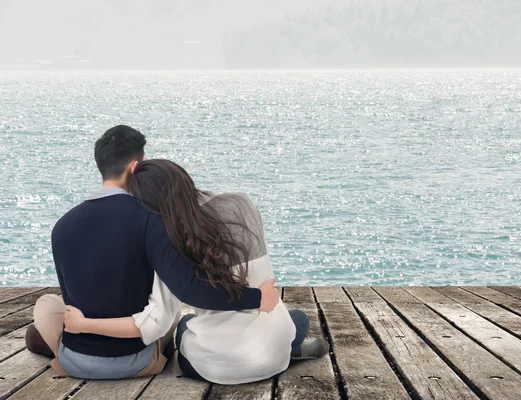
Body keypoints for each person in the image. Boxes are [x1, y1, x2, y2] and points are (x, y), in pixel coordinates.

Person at [26, 126, 280, 379]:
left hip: (75, 360)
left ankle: (55, 346)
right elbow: (186, 291)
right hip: (136, 361)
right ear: (136, 167)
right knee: (173, 318)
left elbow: (71, 297)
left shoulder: (61, 225)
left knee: (47, 305)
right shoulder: (153, 221)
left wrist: (83, 324)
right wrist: (257, 298)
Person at [62, 159, 329, 384]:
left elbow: (183, 299)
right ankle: (287, 347)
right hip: (272, 352)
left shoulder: (169, 237)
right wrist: (258, 299)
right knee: (295, 319)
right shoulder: (241, 204)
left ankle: (276, 347)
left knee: (184, 326)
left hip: (218, 368)